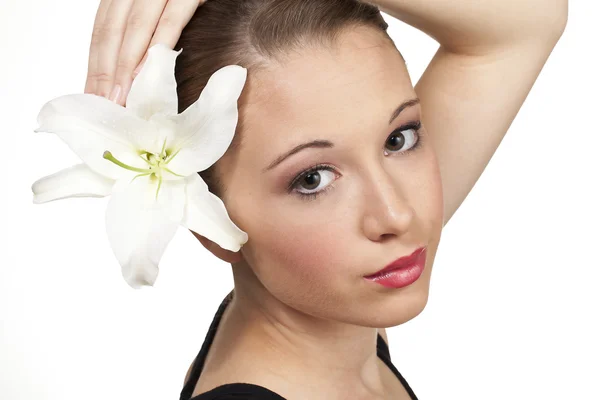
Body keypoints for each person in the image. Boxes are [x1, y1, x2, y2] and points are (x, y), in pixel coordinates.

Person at [83, 0, 567, 399]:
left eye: (399, 139)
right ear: (208, 217)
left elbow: (532, 18)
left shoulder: (338, 314)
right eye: (312, 179)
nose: (397, 214)